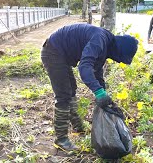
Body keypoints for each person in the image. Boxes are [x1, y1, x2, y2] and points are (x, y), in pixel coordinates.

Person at [41, 24, 138, 152]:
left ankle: (77, 126)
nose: (119, 61)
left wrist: (103, 92)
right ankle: (61, 139)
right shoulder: (99, 40)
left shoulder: (106, 45)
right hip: (53, 51)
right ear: (119, 50)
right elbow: (84, 67)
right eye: (120, 58)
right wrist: (98, 92)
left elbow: (96, 71)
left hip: (61, 54)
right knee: (63, 95)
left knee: (71, 90)